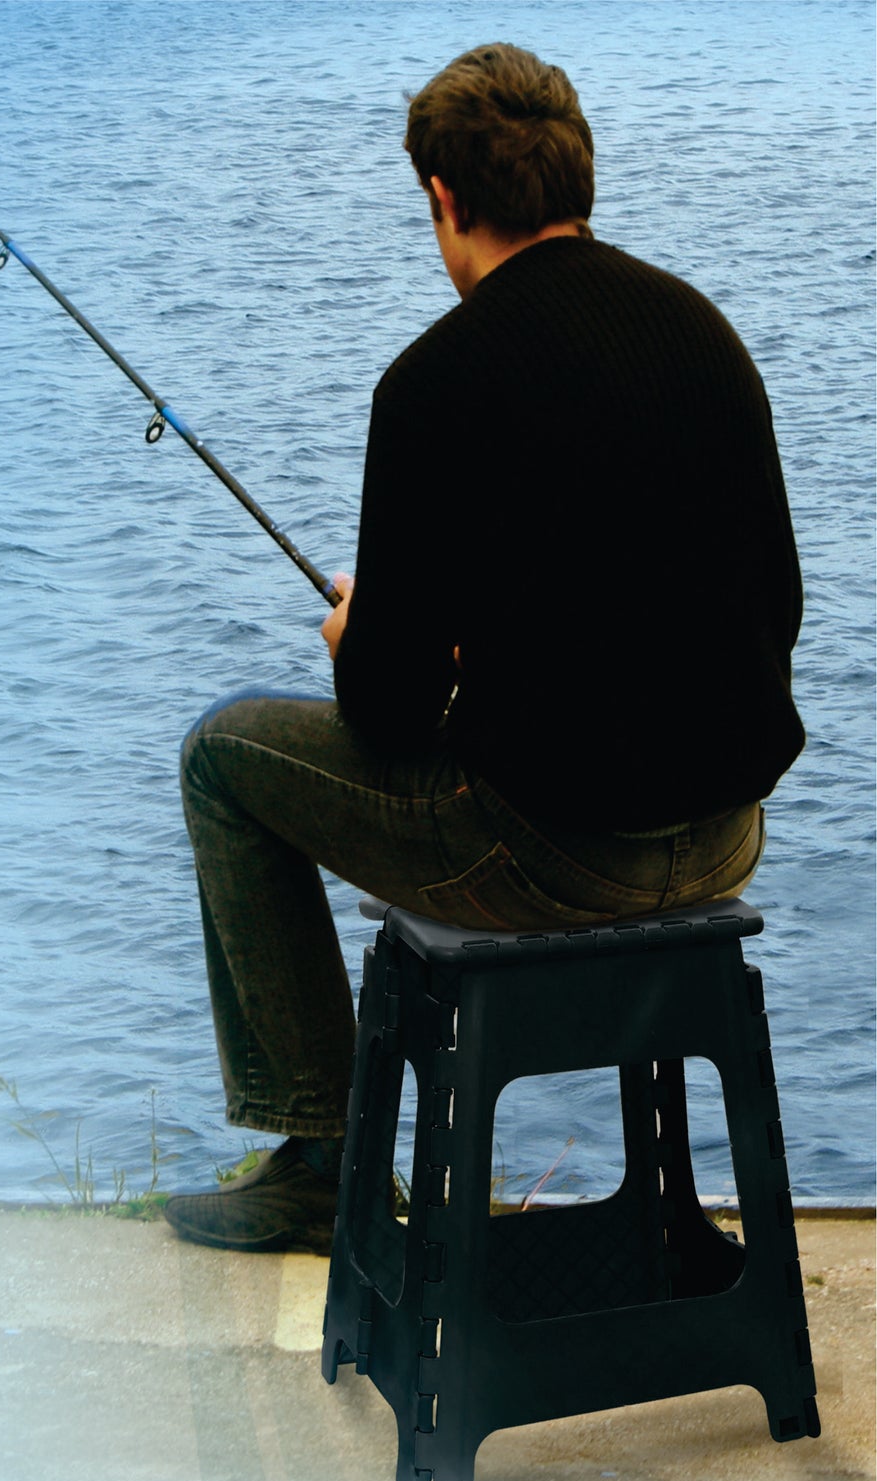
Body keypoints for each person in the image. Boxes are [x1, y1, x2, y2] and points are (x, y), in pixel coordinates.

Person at [162, 43, 804, 1255]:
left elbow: (390, 710)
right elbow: (763, 604)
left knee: (221, 755)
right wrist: (486, 640)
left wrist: (370, 632)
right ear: (577, 176)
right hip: (724, 833)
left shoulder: (432, 381)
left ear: (444, 200)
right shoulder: (702, 336)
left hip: (552, 854)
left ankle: (316, 1155)